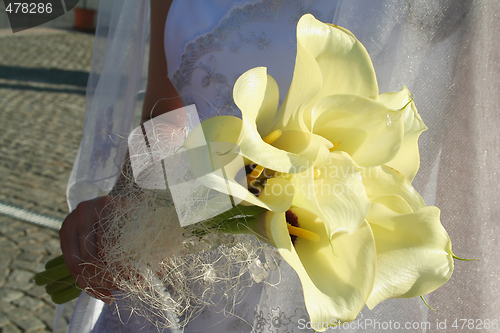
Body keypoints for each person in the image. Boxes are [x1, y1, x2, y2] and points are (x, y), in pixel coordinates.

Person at [59, 0, 500, 332]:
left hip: (329, 271)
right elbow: (169, 113)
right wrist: (132, 213)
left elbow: (470, 152)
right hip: (175, 279)